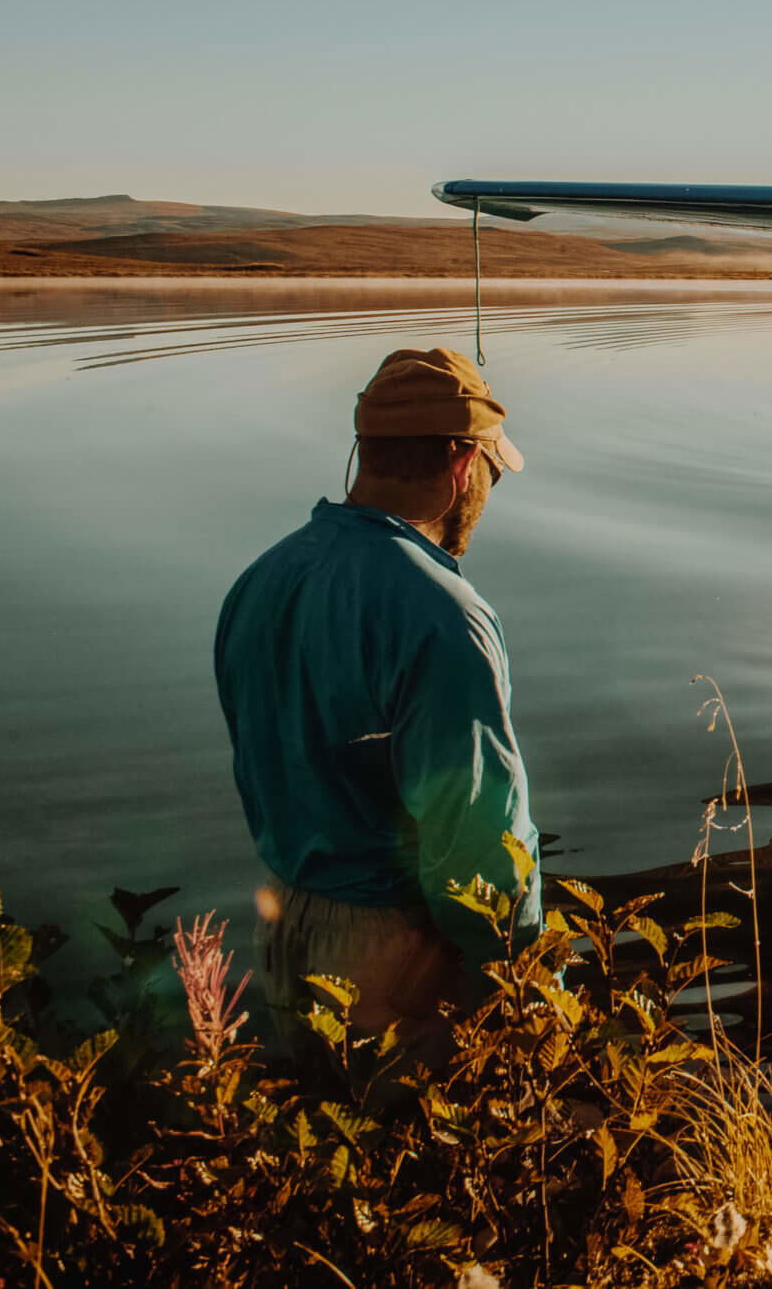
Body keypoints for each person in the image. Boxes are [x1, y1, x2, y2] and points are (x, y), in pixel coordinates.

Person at [215, 347, 541, 1065]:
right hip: (393, 953)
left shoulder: (260, 581)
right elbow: (475, 835)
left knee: (326, 1153)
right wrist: (517, 969)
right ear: (462, 466)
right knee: (450, 1153)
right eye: (489, 471)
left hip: (282, 923)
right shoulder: (443, 615)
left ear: (366, 451)